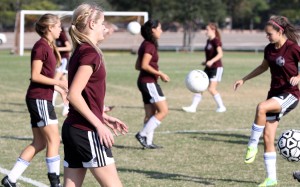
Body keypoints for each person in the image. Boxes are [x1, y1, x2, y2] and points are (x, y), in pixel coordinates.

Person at [62, 3, 128, 187]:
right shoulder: (90, 53)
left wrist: (103, 115)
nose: (105, 28)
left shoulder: (80, 51)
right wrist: (98, 124)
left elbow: (84, 94)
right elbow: (74, 95)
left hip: (73, 128)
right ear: (92, 24)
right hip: (86, 131)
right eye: (102, 23)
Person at [1, 14, 67, 187]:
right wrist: (59, 82)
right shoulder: (41, 46)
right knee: (54, 140)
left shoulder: (48, 45)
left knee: (39, 142)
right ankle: (55, 182)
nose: (61, 29)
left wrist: (59, 88)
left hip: (40, 97)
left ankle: (11, 178)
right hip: (39, 99)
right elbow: (36, 76)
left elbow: (44, 77)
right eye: (59, 26)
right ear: (50, 27)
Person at [233, 16, 300, 187]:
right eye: (266, 34)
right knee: (268, 136)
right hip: (275, 94)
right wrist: (244, 79)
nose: (267, 37)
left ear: (280, 31)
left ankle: (251, 144)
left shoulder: (292, 48)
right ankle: (271, 178)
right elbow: (263, 67)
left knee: (261, 107)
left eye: (270, 34)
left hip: (290, 95)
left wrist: (298, 76)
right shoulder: (269, 49)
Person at [135, 19, 170, 149]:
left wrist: (156, 72)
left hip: (144, 81)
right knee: (163, 111)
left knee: (150, 114)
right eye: (160, 28)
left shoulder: (145, 44)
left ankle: (148, 143)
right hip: (148, 82)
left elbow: (138, 66)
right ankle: (142, 134)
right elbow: (143, 65)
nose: (161, 31)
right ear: (153, 29)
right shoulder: (149, 45)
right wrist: (160, 73)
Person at [182, 23, 226, 113]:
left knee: (211, 89)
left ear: (213, 30)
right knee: (199, 87)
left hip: (216, 68)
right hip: (208, 68)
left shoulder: (216, 41)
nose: (205, 31)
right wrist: (206, 62)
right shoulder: (208, 41)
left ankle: (221, 107)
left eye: (207, 29)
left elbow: (220, 54)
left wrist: (212, 61)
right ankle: (193, 107)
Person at [53, 27, 72, 116]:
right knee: (65, 84)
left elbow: (69, 47)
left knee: (54, 82)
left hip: (64, 60)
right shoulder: (55, 37)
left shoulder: (62, 35)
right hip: (61, 61)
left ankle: (51, 104)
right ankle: (67, 106)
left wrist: (56, 49)